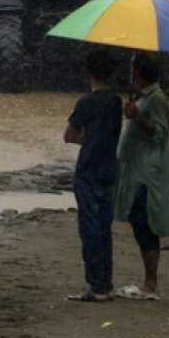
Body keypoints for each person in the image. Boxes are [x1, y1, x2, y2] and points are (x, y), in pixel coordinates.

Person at [63, 48, 123, 302]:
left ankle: (96, 286)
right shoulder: (116, 101)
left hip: (88, 170)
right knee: (104, 227)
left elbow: (68, 135)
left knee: (89, 228)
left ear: (89, 72)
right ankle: (106, 283)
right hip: (109, 168)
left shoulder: (86, 103)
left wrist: (81, 139)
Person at [113, 51, 169, 301]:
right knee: (140, 224)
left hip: (147, 175)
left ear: (138, 72)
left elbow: (159, 133)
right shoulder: (145, 95)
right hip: (137, 171)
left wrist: (137, 116)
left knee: (145, 225)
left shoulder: (157, 98)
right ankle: (149, 282)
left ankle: (150, 284)